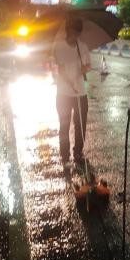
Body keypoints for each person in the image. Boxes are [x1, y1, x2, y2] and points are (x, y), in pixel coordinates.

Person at [52, 17, 91, 167]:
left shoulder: (83, 46)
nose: (76, 36)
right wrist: (70, 83)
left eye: (78, 33)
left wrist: (84, 68)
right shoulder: (59, 46)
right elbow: (61, 70)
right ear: (68, 31)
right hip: (64, 94)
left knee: (81, 125)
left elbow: (88, 65)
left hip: (81, 93)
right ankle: (65, 156)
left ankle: (78, 152)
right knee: (64, 124)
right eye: (74, 32)